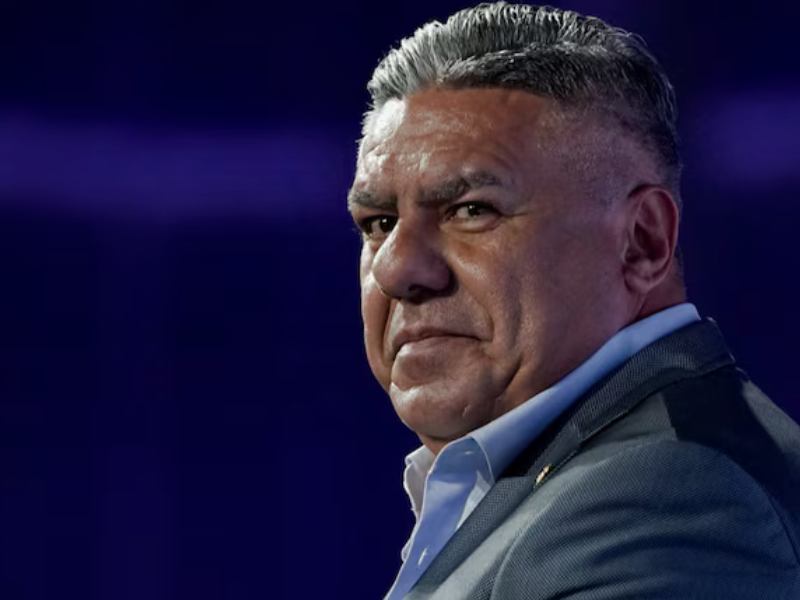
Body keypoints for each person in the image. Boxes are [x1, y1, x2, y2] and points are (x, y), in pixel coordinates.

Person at [346, 3, 800, 599]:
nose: (397, 268)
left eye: (472, 210)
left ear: (642, 242)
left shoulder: (671, 497)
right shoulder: (561, 480)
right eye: (379, 223)